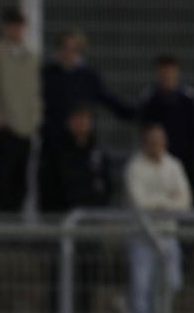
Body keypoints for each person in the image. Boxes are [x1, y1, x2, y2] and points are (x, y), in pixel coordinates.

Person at [41, 106, 114, 313]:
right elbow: (48, 186)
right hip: (62, 226)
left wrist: (98, 212)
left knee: (88, 278)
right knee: (59, 279)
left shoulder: (97, 151)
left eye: (86, 118)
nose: (82, 123)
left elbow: (107, 184)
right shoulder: (57, 151)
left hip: (89, 226)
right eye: (77, 118)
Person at [39, 29, 134, 212]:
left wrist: (132, 112)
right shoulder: (47, 75)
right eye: (65, 48)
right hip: (54, 144)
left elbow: (108, 99)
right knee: (52, 189)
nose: (69, 53)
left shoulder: (88, 76)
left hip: (82, 145)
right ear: (59, 50)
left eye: (74, 49)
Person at [125, 125, 192, 313]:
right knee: (141, 288)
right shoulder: (135, 167)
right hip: (143, 238)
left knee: (171, 284)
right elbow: (139, 202)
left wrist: (156, 203)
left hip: (168, 237)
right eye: (151, 141)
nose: (156, 145)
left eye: (159, 141)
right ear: (145, 143)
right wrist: (166, 199)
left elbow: (184, 202)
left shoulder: (174, 165)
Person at [0, 8, 41, 213]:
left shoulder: (31, 56)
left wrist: (34, 120)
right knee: (0, 184)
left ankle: (14, 233)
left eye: (20, 25)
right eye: (13, 25)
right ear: (5, 27)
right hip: (2, 130)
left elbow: (35, 93)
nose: (17, 30)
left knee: (20, 184)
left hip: (24, 130)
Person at [139, 55, 194, 202]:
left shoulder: (188, 98)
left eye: (170, 71)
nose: (167, 75)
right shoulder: (150, 98)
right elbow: (144, 126)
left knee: (185, 196)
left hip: (185, 158)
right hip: (157, 158)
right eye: (163, 71)